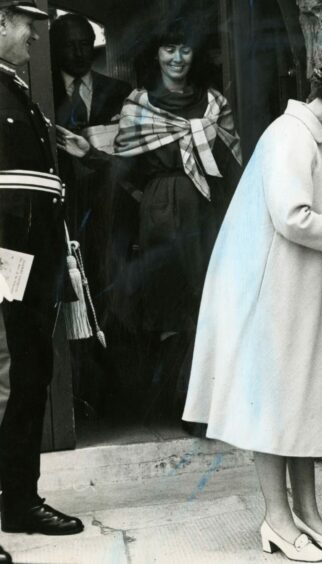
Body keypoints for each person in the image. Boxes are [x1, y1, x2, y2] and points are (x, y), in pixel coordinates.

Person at [183, 51, 322, 562]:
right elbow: (293, 218)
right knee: (277, 407)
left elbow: (312, 223)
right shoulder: (288, 136)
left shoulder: (314, 140)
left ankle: (308, 513)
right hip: (270, 295)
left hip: (295, 292)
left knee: (302, 401)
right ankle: (277, 521)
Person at [59, 17, 243, 427]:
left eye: (185, 49)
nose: (177, 58)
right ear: (156, 54)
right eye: (168, 49)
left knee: (210, 306)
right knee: (171, 310)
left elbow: (231, 169)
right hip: (161, 216)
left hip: (209, 214)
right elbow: (126, 173)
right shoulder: (140, 106)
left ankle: (211, 404)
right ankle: (183, 406)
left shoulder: (214, 103)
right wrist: (88, 152)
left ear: (195, 54)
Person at [0, 0, 84, 538]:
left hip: (26, 263)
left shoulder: (14, 89)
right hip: (3, 259)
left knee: (29, 378)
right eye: (26, 24)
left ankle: (18, 501)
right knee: (6, 383)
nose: (35, 36)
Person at [50, 12, 133, 419]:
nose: (80, 52)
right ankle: (80, 397)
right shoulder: (42, 92)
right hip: (65, 217)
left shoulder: (119, 92)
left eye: (86, 43)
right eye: (70, 44)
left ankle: (114, 397)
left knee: (112, 296)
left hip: (111, 214)